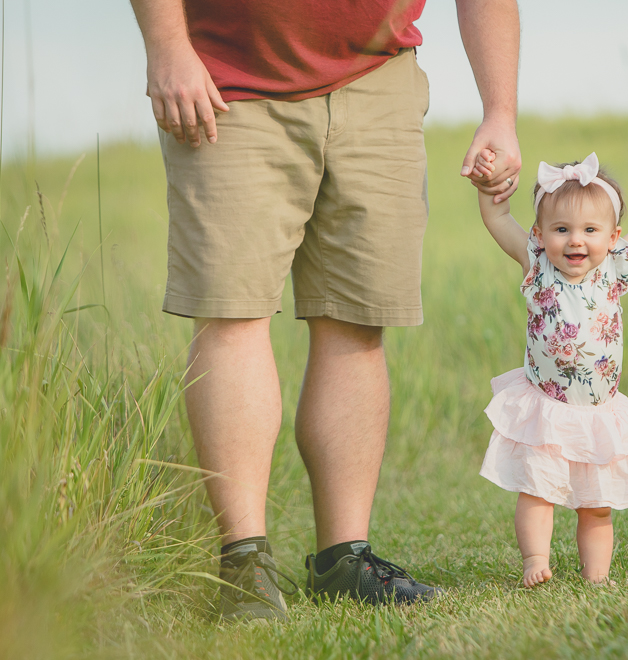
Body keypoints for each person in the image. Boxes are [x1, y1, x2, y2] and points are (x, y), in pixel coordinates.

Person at [129, 0, 522, 621]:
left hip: (378, 77)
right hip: (227, 81)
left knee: (358, 319)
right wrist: (166, 44)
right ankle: (244, 567)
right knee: (231, 315)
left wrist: (500, 108)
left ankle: (344, 560)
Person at [474, 151, 628, 585]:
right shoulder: (536, 264)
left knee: (597, 505)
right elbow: (498, 219)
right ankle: (535, 560)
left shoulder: (613, 269)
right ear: (539, 234)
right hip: (546, 406)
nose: (576, 241)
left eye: (590, 231)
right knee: (537, 491)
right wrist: (489, 192)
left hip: (597, 411)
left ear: (612, 237)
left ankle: (597, 575)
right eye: (561, 230)